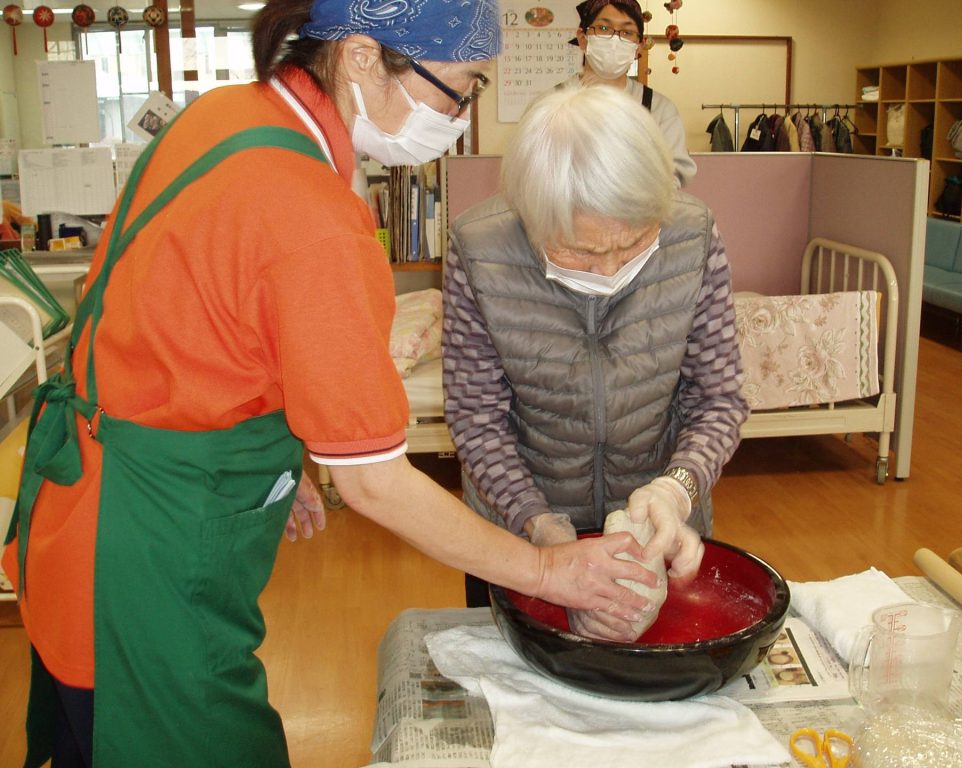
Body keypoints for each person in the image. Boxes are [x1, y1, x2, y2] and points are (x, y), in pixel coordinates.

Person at [1, 2, 659, 765]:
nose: (461, 116)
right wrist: (548, 568)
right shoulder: (314, 214)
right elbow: (377, 485)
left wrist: (279, 446)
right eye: (464, 89)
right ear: (360, 57)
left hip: (83, 502)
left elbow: (171, 310)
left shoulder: (225, 115)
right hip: (142, 561)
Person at [443, 84, 749, 643]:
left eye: (632, 243)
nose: (608, 268)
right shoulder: (479, 248)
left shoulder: (692, 237)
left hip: (654, 531)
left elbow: (718, 398)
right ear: (531, 219)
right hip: (521, 527)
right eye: (580, 251)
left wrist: (676, 490)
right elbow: (476, 417)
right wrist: (543, 534)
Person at [559, 0, 697, 187]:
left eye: (627, 32)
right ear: (582, 38)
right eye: (603, 28)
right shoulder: (549, 105)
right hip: (564, 215)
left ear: (638, 46)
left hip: (641, 213)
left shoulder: (659, 110)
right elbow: (532, 176)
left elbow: (674, 177)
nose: (615, 39)